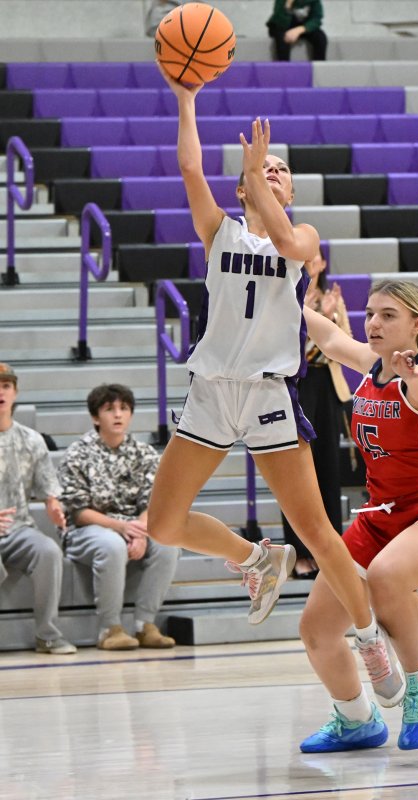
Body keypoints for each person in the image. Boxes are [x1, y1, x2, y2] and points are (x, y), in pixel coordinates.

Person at [148, 65, 403, 704]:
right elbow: (189, 171)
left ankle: (370, 640)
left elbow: (289, 239)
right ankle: (255, 559)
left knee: (318, 531)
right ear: (239, 188)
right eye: (265, 168)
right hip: (211, 391)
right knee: (161, 523)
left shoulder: (302, 237)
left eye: (283, 170)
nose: (274, 172)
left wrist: (264, 183)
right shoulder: (219, 232)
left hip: (267, 396)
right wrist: (186, 100)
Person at [299, 279, 418, 752]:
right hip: (382, 515)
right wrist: (285, 301)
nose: (374, 323)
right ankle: (356, 718)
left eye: (388, 315)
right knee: (317, 629)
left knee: (387, 576)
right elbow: (330, 338)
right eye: (371, 313)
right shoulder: (370, 365)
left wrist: (413, 374)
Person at [58, 383, 178, 651]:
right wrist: (122, 528)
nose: (118, 415)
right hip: (89, 529)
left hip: (135, 526)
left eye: (124, 408)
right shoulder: (78, 453)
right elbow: (78, 512)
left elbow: (154, 502)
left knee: (169, 543)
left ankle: (144, 625)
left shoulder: (145, 454)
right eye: (109, 409)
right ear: (94, 417)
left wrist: (141, 531)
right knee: (111, 545)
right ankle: (109, 628)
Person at [282, 251, 352, 578]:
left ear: (323, 264)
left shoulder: (334, 299)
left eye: (317, 257)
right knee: (295, 471)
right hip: (296, 384)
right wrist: (311, 314)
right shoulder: (283, 292)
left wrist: (332, 318)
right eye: (306, 256)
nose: (312, 261)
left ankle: (332, 553)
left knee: (328, 469)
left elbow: (347, 346)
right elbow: (285, 346)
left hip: (327, 386)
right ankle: (298, 552)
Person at [0, 362, 77, 655]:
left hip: (19, 529)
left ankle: (47, 634)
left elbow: (49, 491)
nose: (1, 392)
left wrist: (53, 507)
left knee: (48, 552)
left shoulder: (32, 440)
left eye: (6, 386)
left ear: (15, 392)